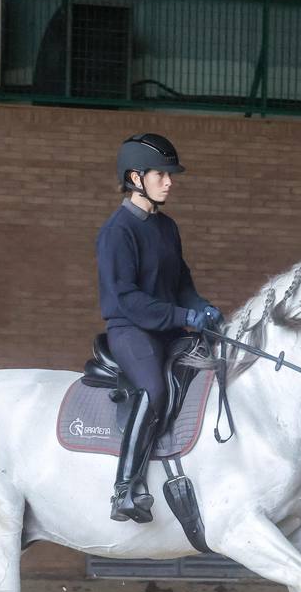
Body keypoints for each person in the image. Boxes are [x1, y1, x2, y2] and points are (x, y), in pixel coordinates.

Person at [95, 133, 223, 523]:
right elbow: (127, 298)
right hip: (132, 330)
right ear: (136, 178)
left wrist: (202, 308)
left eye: (170, 176)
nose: (169, 183)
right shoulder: (118, 231)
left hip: (168, 327)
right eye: (161, 175)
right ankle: (124, 489)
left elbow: (181, 284)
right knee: (154, 389)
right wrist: (184, 317)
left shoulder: (167, 227)